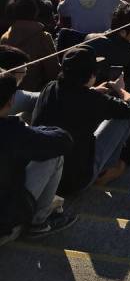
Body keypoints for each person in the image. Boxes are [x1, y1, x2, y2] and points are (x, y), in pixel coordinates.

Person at [31, 44, 130, 193]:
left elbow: (72, 99)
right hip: (76, 182)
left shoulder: (50, 87)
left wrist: (93, 91)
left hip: (42, 177)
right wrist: (120, 89)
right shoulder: (93, 100)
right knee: (123, 118)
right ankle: (109, 170)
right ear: (91, 75)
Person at [0, 73, 77, 245]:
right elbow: (64, 141)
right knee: (53, 156)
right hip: (4, 226)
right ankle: (38, 222)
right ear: (10, 101)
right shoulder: (12, 132)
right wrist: (30, 129)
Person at [1, 0, 59, 92]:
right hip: (37, 93)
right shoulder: (43, 37)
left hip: (8, 94)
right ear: (34, 11)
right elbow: (53, 72)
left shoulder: (4, 38)